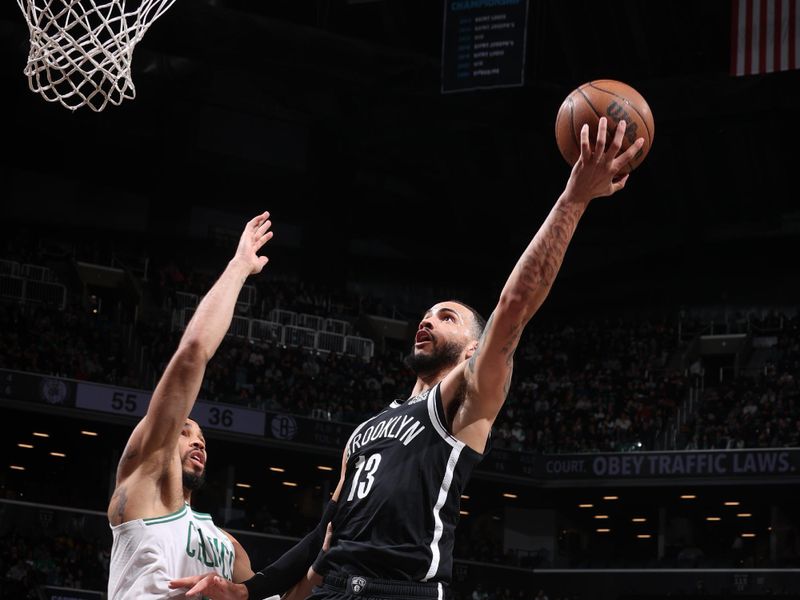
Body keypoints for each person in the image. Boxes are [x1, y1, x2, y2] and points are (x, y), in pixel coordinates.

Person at [172, 118, 644, 600]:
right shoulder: (362, 433)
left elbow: (515, 305)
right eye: (425, 315)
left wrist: (574, 199)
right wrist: (247, 592)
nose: (428, 321)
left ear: (474, 350)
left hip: (401, 591)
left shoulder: (463, 403)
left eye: (447, 317)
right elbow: (323, 537)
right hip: (334, 590)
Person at [107, 211, 274, 599]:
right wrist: (239, 267)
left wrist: (330, 543)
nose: (198, 441)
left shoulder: (229, 547)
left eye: (202, 437)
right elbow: (192, 354)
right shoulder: (141, 480)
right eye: (185, 431)